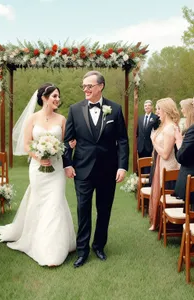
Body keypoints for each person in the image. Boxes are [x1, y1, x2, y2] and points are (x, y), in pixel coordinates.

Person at [0, 83, 76, 267]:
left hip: (57, 168)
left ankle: (55, 249)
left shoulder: (62, 119)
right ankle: (37, 242)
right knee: (39, 202)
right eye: (54, 96)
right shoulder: (33, 119)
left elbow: (67, 143)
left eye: (58, 96)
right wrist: (38, 156)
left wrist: (70, 146)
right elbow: (27, 144)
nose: (57, 99)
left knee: (55, 202)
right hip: (37, 169)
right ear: (44, 97)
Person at [63, 70, 129, 268]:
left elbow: (123, 140)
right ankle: (82, 251)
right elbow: (67, 140)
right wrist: (67, 163)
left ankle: (99, 246)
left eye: (89, 86)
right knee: (83, 210)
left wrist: (122, 166)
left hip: (108, 170)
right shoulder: (75, 109)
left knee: (104, 210)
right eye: (83, 86)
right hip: (82, 169)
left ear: (100, 86)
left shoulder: (115, 109)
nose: (86, 89)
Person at [148, 98, 180, 231]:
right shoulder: (164, 126)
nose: (156, 112)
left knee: (164, 192)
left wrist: (153, 141)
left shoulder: (170, 128)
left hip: (168, 166)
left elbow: (166, 154)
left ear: (166, 111)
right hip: (160, 164)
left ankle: (167, 225)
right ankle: (158, 221)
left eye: (158, 109)